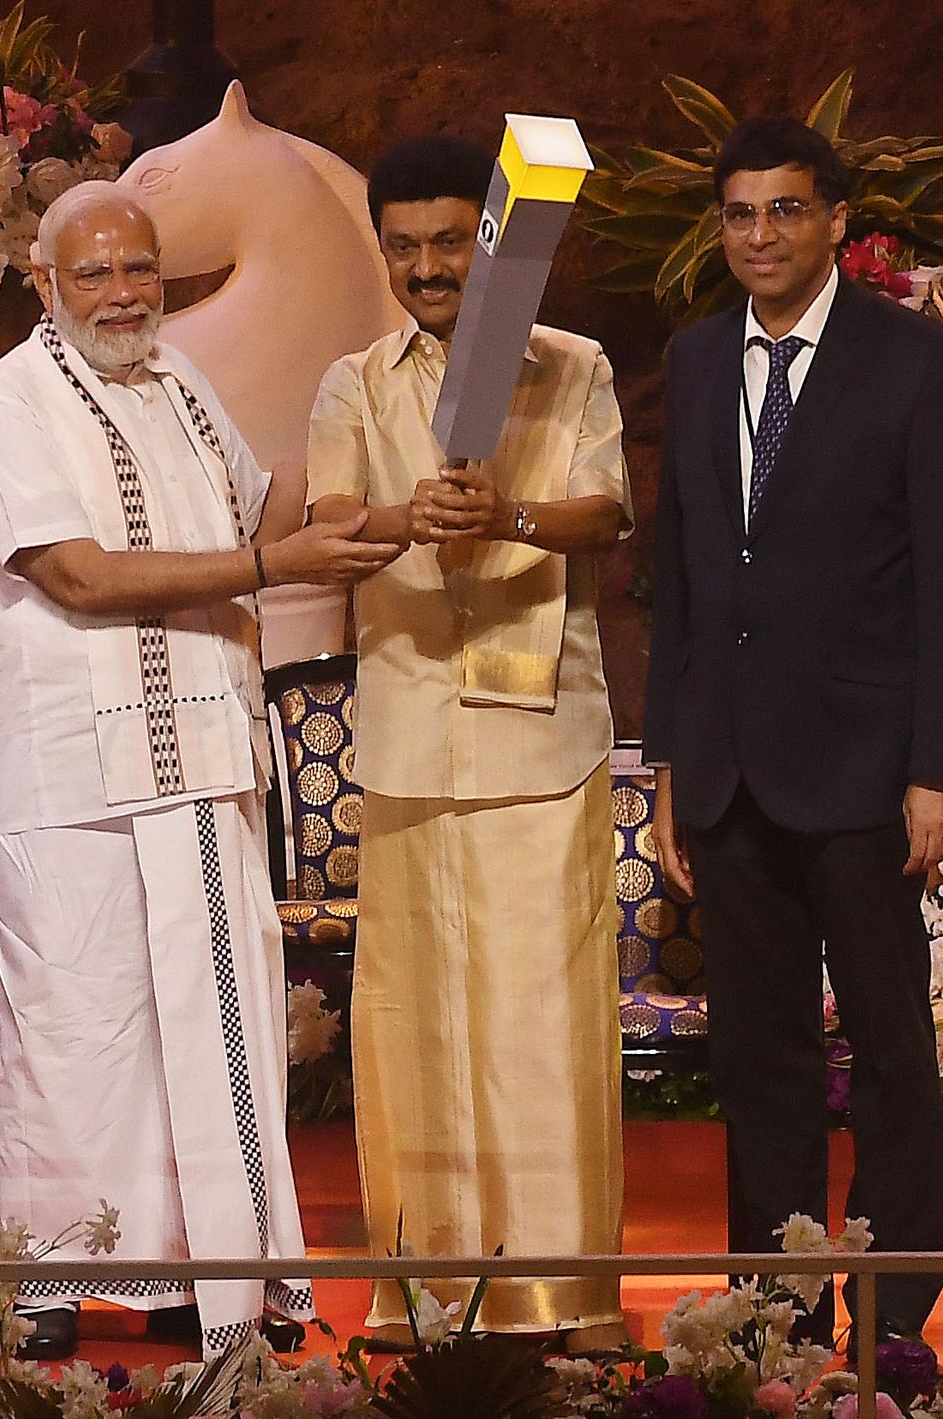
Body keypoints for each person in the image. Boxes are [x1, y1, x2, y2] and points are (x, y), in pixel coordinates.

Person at [0, 180, 400, 1362]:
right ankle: (53, 1283)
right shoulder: (9, 401)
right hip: (76, 774)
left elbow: (269, 505)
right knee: (78, 1025)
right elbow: (82, 577)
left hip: (200, 753)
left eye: (138, 269)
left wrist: (377, 439)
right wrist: (264, 562)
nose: (120, 293)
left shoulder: (183, 383)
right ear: (45, 284)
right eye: (91, 273)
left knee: (216, 1027)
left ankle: (233, 1287)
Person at [643, 117, 943, 1345]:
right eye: (740, 214)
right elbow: (677, 576)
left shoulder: (914, 364)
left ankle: (894, 1323)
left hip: (866, 775)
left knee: (893, 1057)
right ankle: (774, 1321)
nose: (761, 236)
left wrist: (940, 769)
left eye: (787, 211)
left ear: (838, 222)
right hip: (730, 774)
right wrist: (669, 760)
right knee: (760, 1060)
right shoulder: (692, 362)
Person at [306, 135, 633, 1350]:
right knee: (412, 1022)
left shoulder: (573, 365)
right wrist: (410, 518)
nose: (427, 266)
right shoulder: (352, 382)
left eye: (451, 241)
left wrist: (513, 514)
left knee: (542, 1022)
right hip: (403, 730)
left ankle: (565, 1301)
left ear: (489, 244)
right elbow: (331, 520)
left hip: (543, 740)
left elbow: (608, 510)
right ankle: (425, 1294)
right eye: (405, 246)